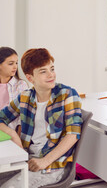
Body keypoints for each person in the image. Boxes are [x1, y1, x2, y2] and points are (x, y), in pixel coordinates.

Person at [0, 48, 83, 188]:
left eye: (52, 69)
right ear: (30, 78)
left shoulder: (67, 94)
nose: (51, 75)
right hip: (27, 158)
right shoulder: (25, 97)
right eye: (43, 71)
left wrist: (44, 161)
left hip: (53, 165)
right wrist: (13, 134)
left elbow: (73, 134)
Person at [0, 47, 28, 131]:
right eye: (11, 63)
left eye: (16, 63)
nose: (15, 67)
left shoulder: (21, 85)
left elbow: (23, 115)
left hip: (12, 131)